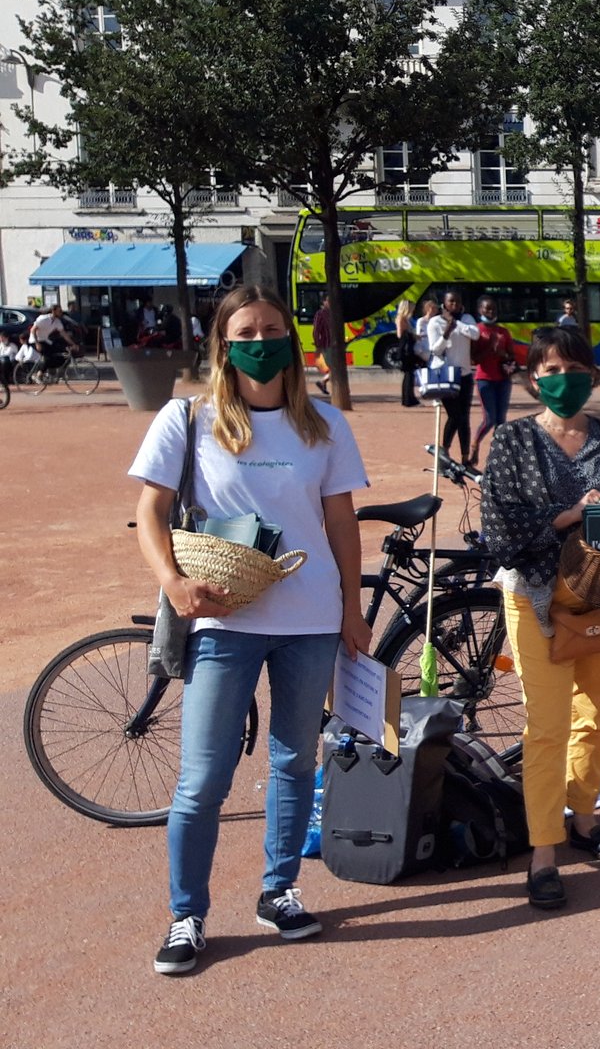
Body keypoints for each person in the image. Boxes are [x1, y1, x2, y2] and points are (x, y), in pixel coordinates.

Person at [129, 285, 370, 975]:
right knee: (203, 779)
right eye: (246, 331)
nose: (261, 340)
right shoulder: (189, 419)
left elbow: (341, 523)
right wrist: (175, 585)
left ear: (290, 341)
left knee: (295, 761)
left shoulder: (322, 423)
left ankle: (279, 890)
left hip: (311, 618)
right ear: (222, 343)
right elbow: (152, 513)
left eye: (272, 329)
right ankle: (186, 916)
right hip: (223, 621)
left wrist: (351, 610)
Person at [479, 327, 600, 911]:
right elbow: (500, 534)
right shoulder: (512, 441)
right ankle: (544, 851)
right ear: (533, 378)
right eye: (551, 370)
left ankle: (583, 819)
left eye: (575, 368)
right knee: (547, 724)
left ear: (593, 375)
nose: (564, 379)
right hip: (536, 595)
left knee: (593, 714)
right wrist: (572, 515)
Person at [425, 290, 480, 465]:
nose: (454, 305)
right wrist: (447, 331)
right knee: (455, 416)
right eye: (451, 302)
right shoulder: (435, 322)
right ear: (444, 303)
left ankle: (465, 457)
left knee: (465, 418)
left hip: (464, 375)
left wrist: (456, 323)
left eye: (457, 302)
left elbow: (475, 334)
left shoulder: (467, 319)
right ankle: (444, 451)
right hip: (446, 376)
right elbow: (435, 350)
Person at [471, 296, 516, 454]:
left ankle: (498, 452)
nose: (490, 312)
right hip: (485, 379)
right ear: (480, 310)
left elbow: (512, 357)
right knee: (489, 419)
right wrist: (490, 348)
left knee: (501, 420)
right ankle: (475, 444)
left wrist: (502, 353)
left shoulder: (503, 332)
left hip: (503, 380)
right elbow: (474, 359)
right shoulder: (477, 330)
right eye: (486, 308)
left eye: (493, 309)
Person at [394, 297, 421, 409]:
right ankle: (407, 399)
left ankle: (410, 398)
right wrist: (411, 335)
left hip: (409, 347)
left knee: (410, 375)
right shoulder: (401, 318)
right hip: (406, 349)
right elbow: (400, 334)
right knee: (408, 375)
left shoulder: (406, 319)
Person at [311, 295, 334, 397]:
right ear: (324, 302)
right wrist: (317, 343)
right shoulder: (320, 314)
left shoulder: (334, 314)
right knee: (335, 369)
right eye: (329, 301)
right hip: (327, 344)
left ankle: (323, 382)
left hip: (334, 344)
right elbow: (316, 330)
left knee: (335, 368)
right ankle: (323, 382)